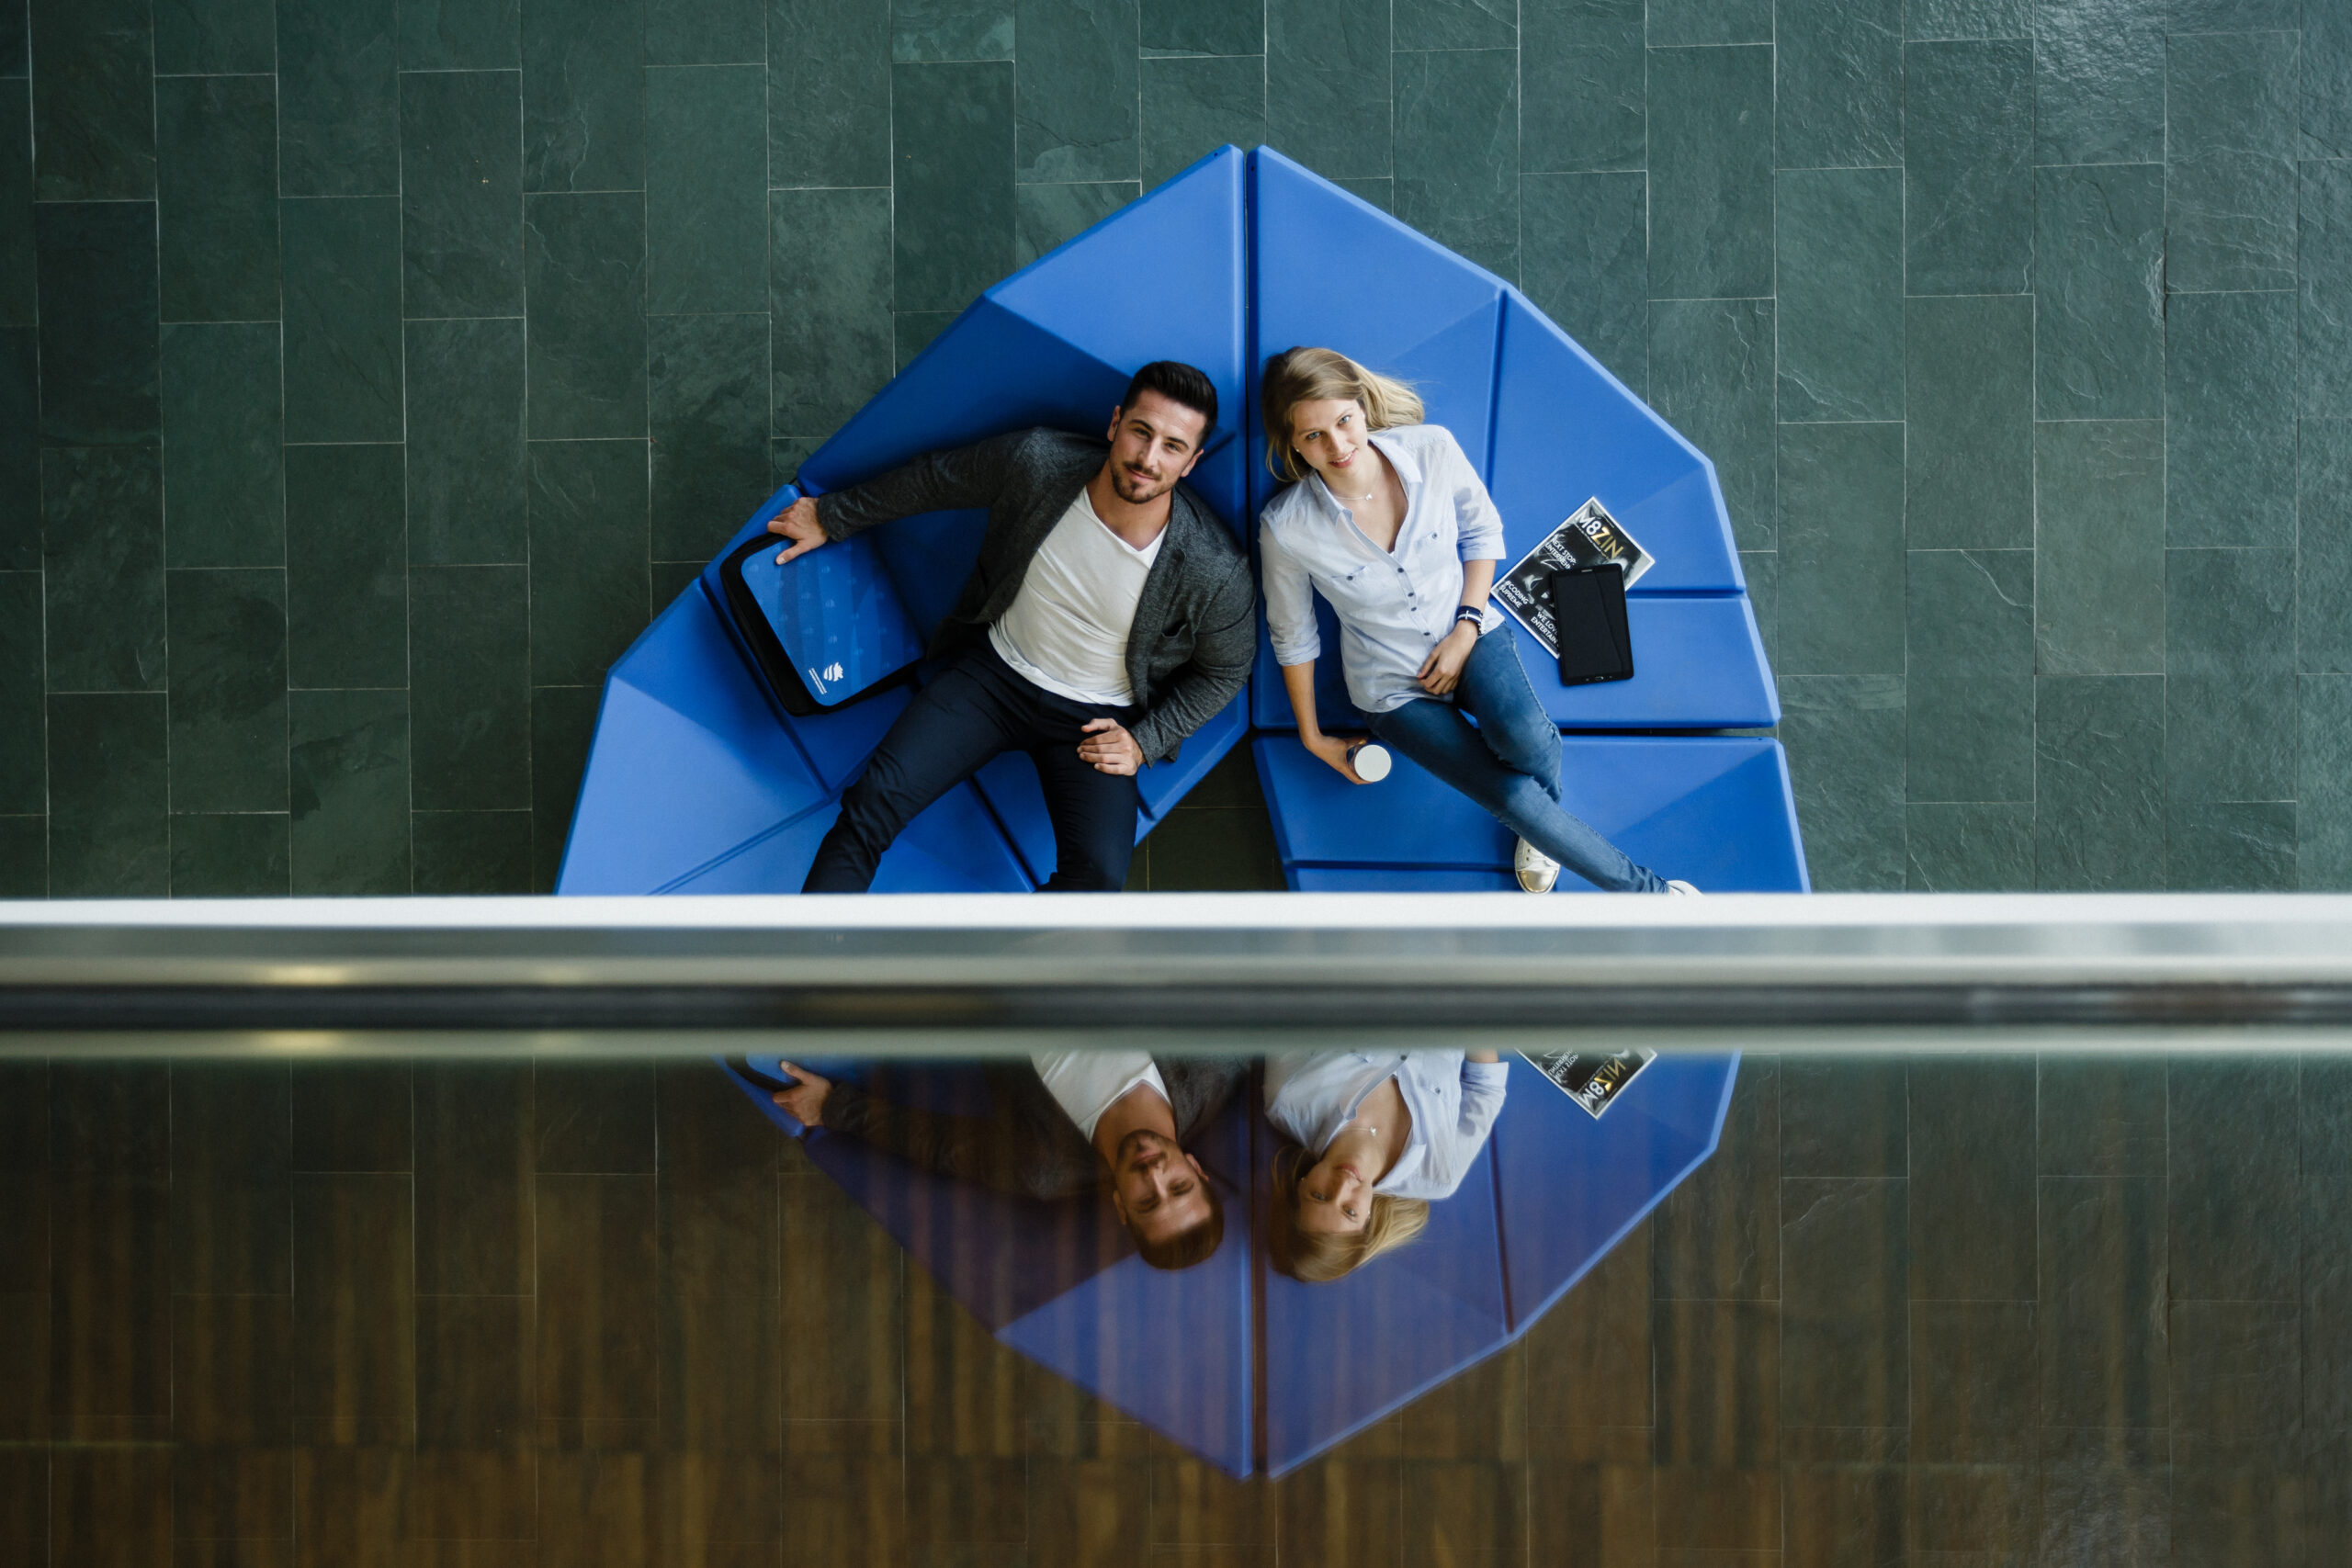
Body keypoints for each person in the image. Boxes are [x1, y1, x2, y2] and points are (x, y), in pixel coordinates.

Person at [769, 362, 1255, 892]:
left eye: (1172, 446)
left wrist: (1144, 741)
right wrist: (833, 515)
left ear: (1192, 463)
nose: (1148, 458)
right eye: (1141, 431)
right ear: (1116, 424)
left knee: (1095, 886)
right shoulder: (1039, 464)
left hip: (1095, 724)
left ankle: (989, 975)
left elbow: (1228, 670)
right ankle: (815, 964)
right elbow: (936, 480)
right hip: (993, 678)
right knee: (869, 805)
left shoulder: (1212, 567)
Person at [1255, 346, 1698, 896]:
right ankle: (1655, 897)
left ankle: (1544, 827)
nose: (1338, 446)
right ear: (1293, 445)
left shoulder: (1432, 448)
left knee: (1531, 746)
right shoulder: (1286, 526)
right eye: (1313, 436)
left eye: (1344, 421)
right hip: (1392, 689)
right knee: (1511, 797)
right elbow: (1293, 634)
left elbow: (1482, 530)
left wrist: (1465, 629)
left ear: (1362, 405)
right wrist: (1312, 736)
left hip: (1467, 630)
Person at [768, 1052, 1243, 1270]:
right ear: (1197, 1170)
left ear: (1121, 1207)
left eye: (1147, 1202)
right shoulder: (1210, 1066)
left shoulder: (1043, 1167)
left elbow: (939, 1144)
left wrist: (833, 1107)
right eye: (1179, 1187)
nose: (1154, 1175)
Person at [1262, 1048, 1510, 1282]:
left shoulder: (1288, 1096)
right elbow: (1485, 1088)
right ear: (1367, 1219)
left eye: (1319, 1195)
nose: (1343, 1185)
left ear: (1301, 1183)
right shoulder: (1439, 1176)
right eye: (1350, 1211)